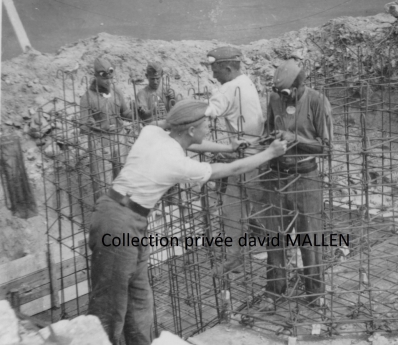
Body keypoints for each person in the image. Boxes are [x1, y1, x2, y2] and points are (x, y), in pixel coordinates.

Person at [87, 99, 287, 345]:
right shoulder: (176, 163)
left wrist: (227, 147)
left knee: (140, 299)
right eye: (207, 125)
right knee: (109, 306)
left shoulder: (152, 132)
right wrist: (270, 153)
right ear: (191, 130)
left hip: (126, 217)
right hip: (117, 223)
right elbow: (234, 170)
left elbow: (180, 131)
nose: (209, 128)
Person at [256, 59, 333, 312]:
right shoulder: (275, 99)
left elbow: (326, 147)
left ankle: (315, 292)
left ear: (301, 84)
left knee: (309, 238)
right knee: (274, 238)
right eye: (281, 94)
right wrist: (269, 139)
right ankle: (274, 291)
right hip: (277, 176)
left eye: (289, 92)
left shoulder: (316, 100)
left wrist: (295, 138)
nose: (285, 98)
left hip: (305, 177)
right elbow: (268, 130)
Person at [202, 47, 265, 275]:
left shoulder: (228, 89)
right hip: (253, 155)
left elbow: (205, 113)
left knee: (262, 211)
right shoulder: (246, 81)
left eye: (216, 70)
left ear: (227, 68)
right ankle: (235, 259)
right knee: (233, 210)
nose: (214, 76)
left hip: (248, 160)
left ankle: (283, 258)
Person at [79, 57, 134, 187]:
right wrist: (90, 124)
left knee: (123, 180)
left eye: (110, 78)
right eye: (104, 78)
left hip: (119, 139)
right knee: (104, 183)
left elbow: (125, 113)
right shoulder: (87, 97)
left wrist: (136, 113)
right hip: (101, 143)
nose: (108, 81)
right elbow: (82, 126)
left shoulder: (116, 91)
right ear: (96, 77)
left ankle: (121, 206)